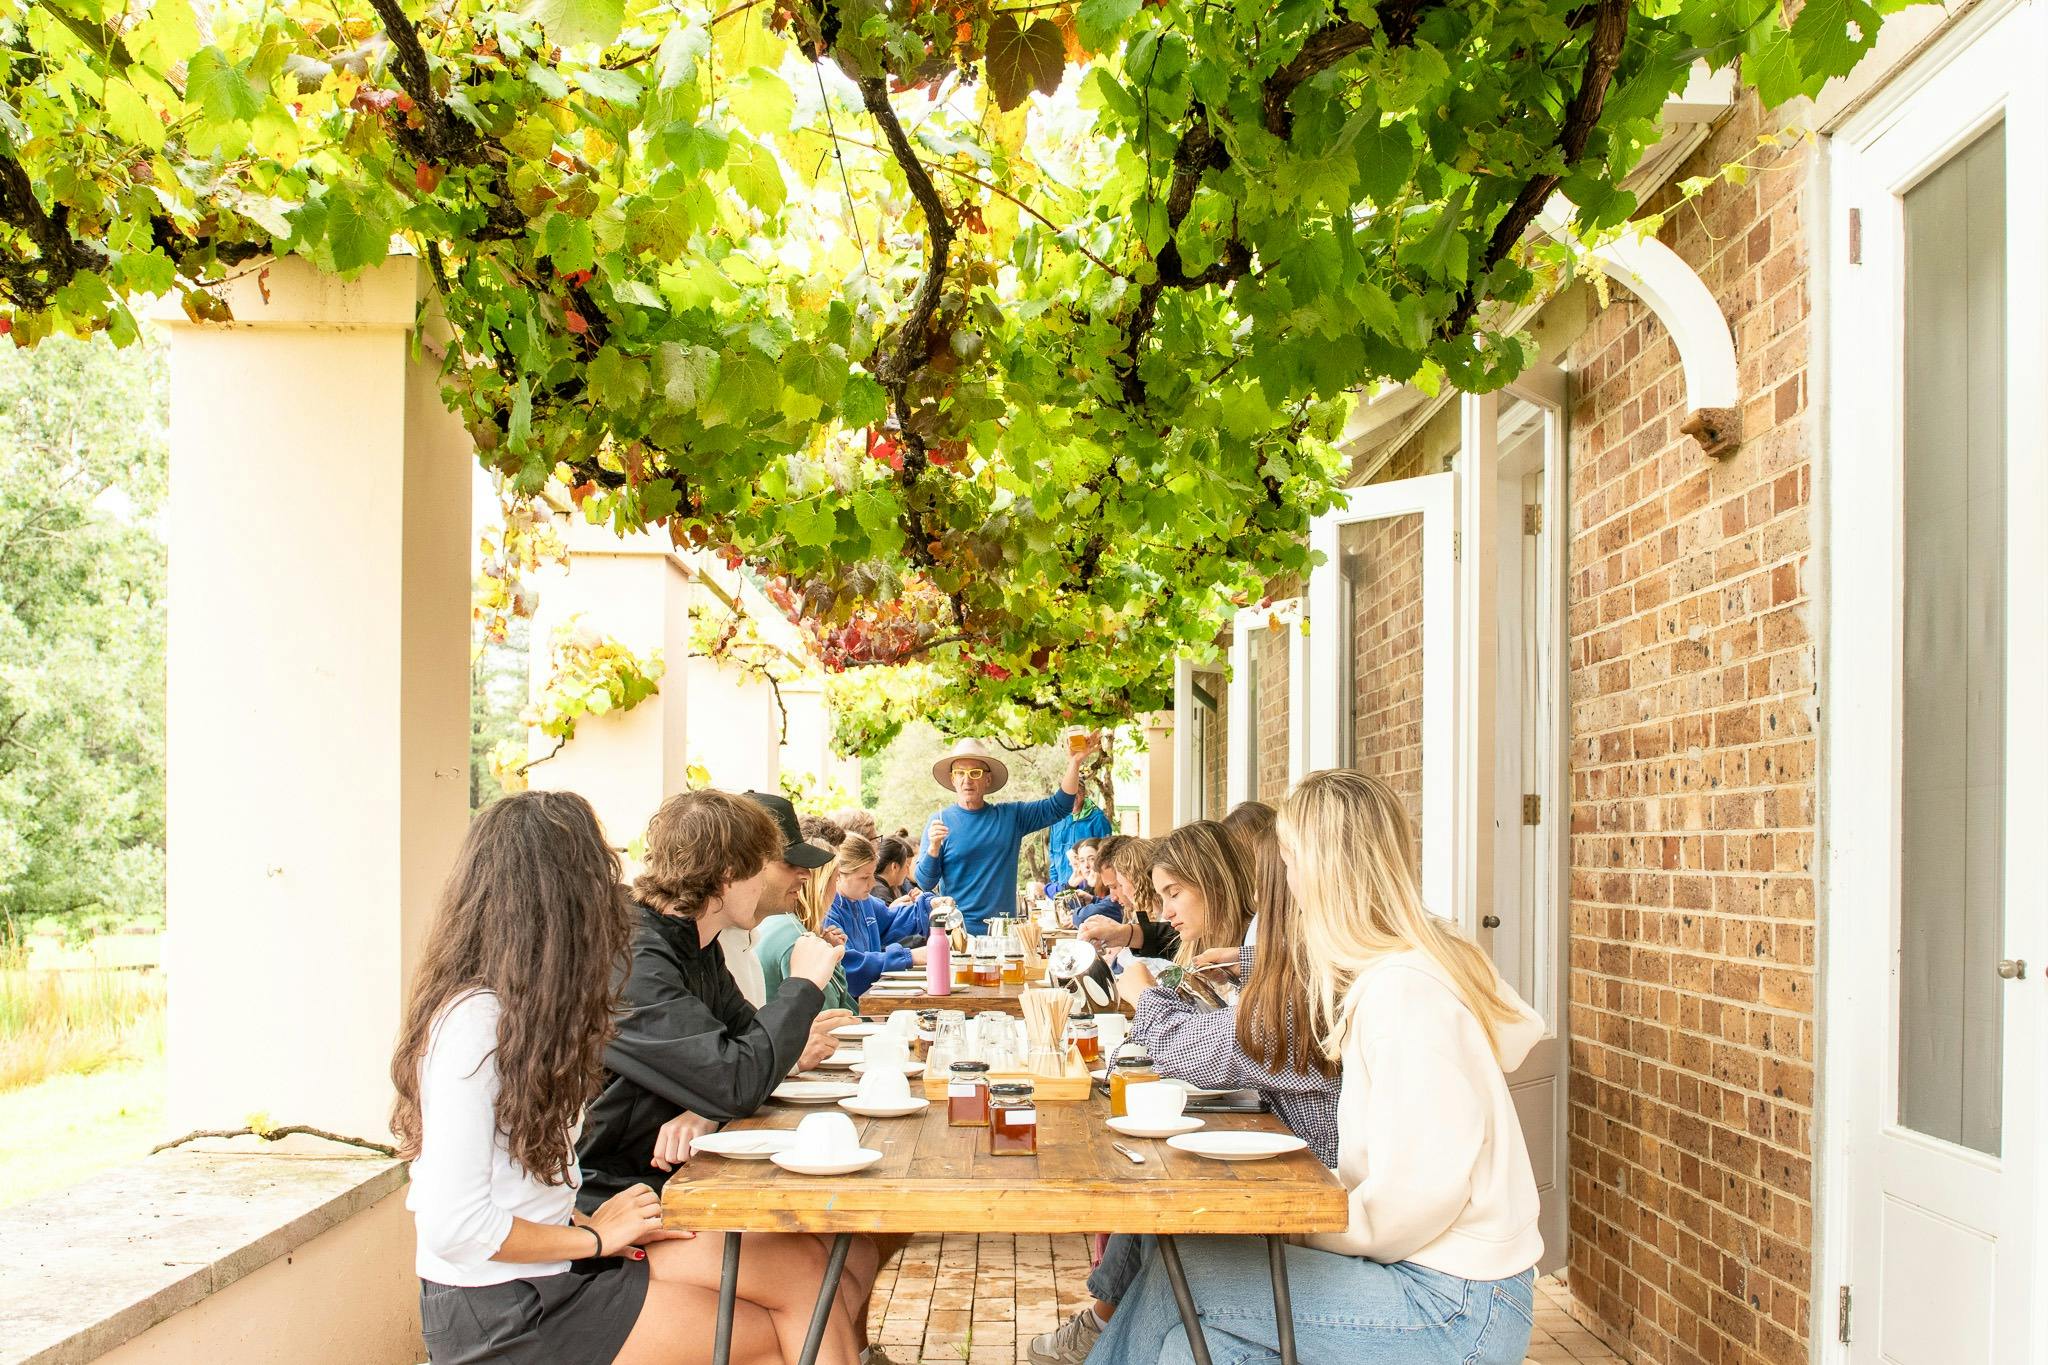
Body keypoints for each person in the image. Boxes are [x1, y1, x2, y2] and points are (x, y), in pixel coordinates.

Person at [1087, 770, 1543, 1365]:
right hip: (1421, 1271)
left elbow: (1421, 1195)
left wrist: (1304, 1229)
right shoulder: (1388, 972)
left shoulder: (1406, 994)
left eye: (1288, 861)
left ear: (1319, 867)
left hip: (1456, 1302)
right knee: (1182, 1334)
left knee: (1185, 1278)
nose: (1281, 882)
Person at [395, 790, 788, 1365]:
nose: (617, 898)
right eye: (600, 875)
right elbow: (454, 1226)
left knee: (784, 1296)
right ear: (561, 900)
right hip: (503, 1312)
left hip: (548, 1272)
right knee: (766, 1336)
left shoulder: (524, 1011)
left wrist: (592, 1222)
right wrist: (596, 1238)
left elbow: (518, 1188)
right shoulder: (473, 1023)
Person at [1030, 816, 1336, 1365]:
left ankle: (1100, 1323)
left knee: (1163, 1208)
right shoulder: (1299, 965)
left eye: (1173, 893)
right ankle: (1102, 1324)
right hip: (1291, 1158)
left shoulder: (1307, 992)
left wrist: (1148, 997)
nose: (1163, 908)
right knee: (1157, 1192)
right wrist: (1238, 966)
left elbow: (1207, 1047)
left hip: (1311, 1186)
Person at [576, 791, 850, 1204]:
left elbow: (751, 1056)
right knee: (836, 1249)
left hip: (661, 1176)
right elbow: (737, 1081)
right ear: (727, 875)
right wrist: (804, 985)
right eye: (761, 870)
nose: (767, 885)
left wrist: (706, 1111)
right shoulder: (631, 955)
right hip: (605, 1194)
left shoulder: (697, 944)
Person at [914, 734, 1100, 933]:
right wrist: (934, 848)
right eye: (960, 773)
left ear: (988, 779)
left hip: (1002, 934)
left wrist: (1075, 762)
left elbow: (1059, 806)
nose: (967, 780)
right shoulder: (939, 821)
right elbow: (925, 882)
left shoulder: (1011, 816)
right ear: (952, 779)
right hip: (957, 935)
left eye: (975, 773)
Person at [757, 842, 861, 1014]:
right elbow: (830, 1015)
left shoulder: (780, 925)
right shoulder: (794, 936)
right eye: (835, 880)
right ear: (820, 883)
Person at [823, 833, 930, 998]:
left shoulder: (864, 901)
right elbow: (850, 965)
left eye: (873, 874)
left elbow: (892, 920)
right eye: (865, 877)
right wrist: (910, 957)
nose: (872, 883)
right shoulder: (828, 912)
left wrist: (929, 906)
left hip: (870, 997)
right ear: (838, 875)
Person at [1044, 793, 1113, 893]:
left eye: (1078, 793)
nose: (1073, 797)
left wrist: (1096, 883)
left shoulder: (1098, 819)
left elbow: (1106, 853)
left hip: (1090, 885)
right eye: (1070, 794)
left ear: (1085, 793)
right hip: (1065, 885)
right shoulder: (1057, 819)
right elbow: (1053, 853)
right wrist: (1055, 881)